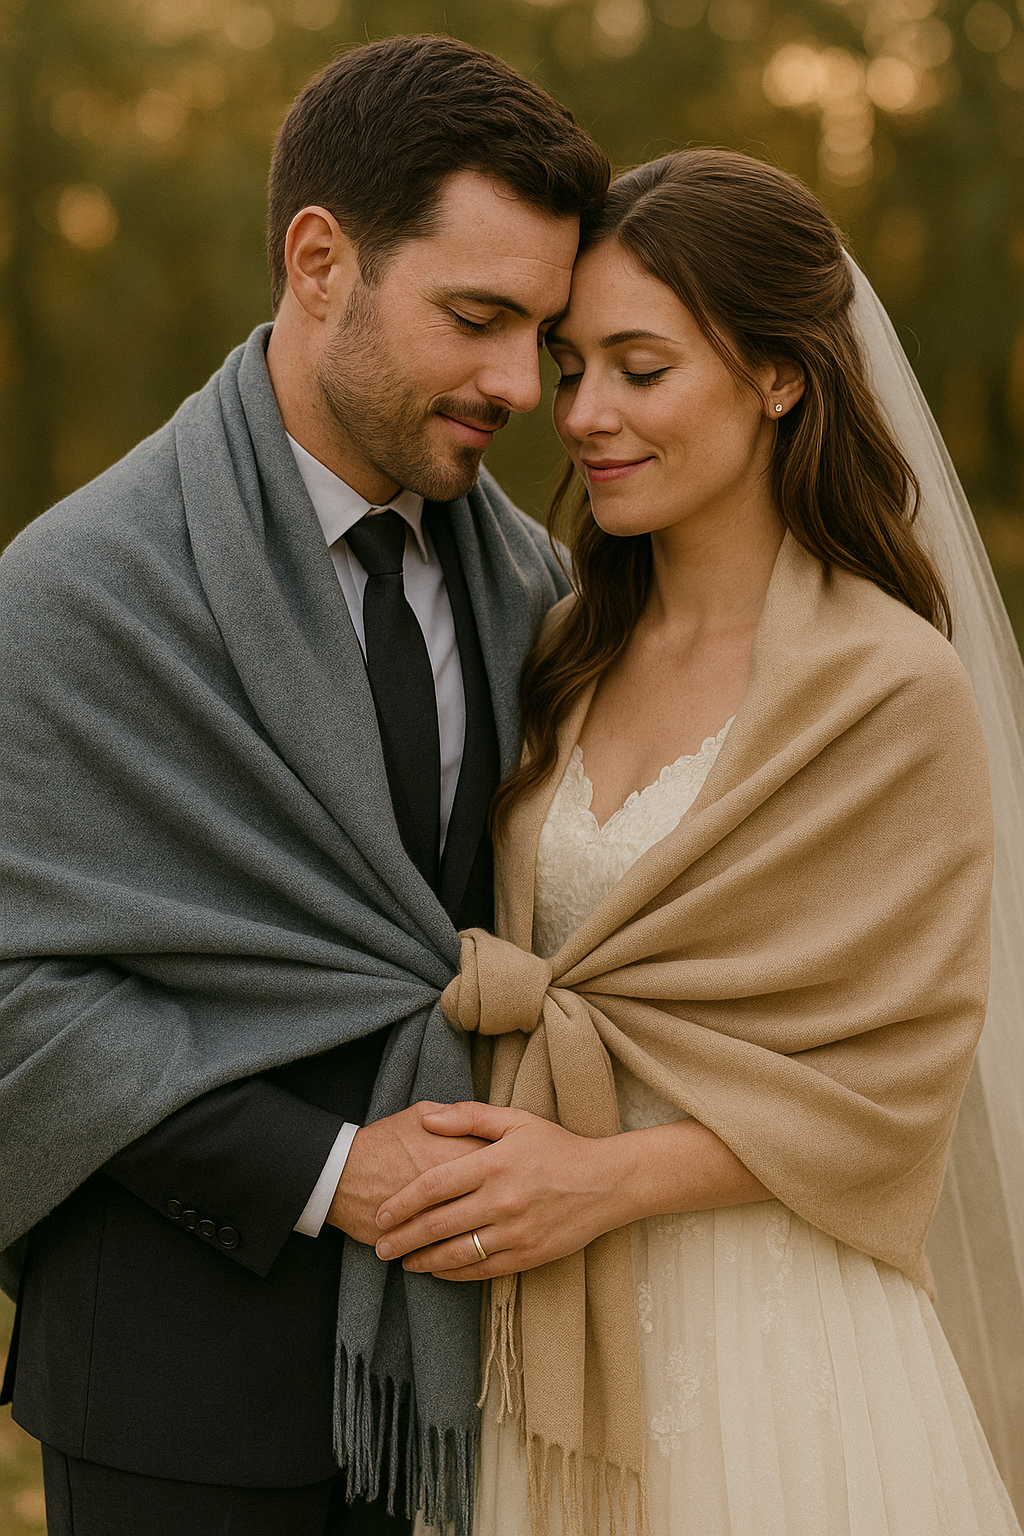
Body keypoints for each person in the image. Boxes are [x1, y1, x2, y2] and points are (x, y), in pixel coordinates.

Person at [0, 35, 609, 1536]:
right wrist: (334, 1170)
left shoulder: (530, 578)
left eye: (545, 333)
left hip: (480, 1380)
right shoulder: (77, 591)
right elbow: (17, 990)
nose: (517, 383)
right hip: (176, 1393)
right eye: (477, 318)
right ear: (321, 259)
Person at [370, 151, 1024, 1535]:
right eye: (572, 369)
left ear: (779, 376)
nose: (587, 415)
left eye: (640, 368)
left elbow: (894, 1079)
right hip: (551, 1321)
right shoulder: (556, 649)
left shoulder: (891, 685)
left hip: (773, 1325)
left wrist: (596, 1182)